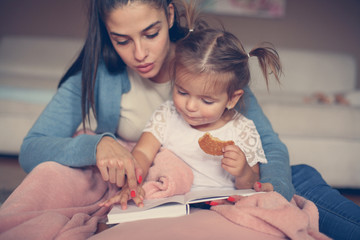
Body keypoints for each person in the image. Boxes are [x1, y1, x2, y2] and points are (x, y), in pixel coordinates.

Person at [13, 0, 359, 239]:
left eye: (151, 33)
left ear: (169, 13)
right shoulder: (96, 75)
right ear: (107, 34)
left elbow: (266, 144)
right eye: (122, 40)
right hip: (177, 188)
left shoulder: (207, 64)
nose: (140, 53)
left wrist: (274, 191)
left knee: (320, 207)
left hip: (246, 177)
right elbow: (32, 148)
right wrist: (99, 143)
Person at [100, 16, 282, 209]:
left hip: (221, 206)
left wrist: (243, 171)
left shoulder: (242, 129)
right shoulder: (167, 115)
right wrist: (133, 183)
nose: (191, 106)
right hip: (172, 202)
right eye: (182, 92)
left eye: (207, 100)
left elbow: (251, 184)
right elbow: (143, 152)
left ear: (232, 99)